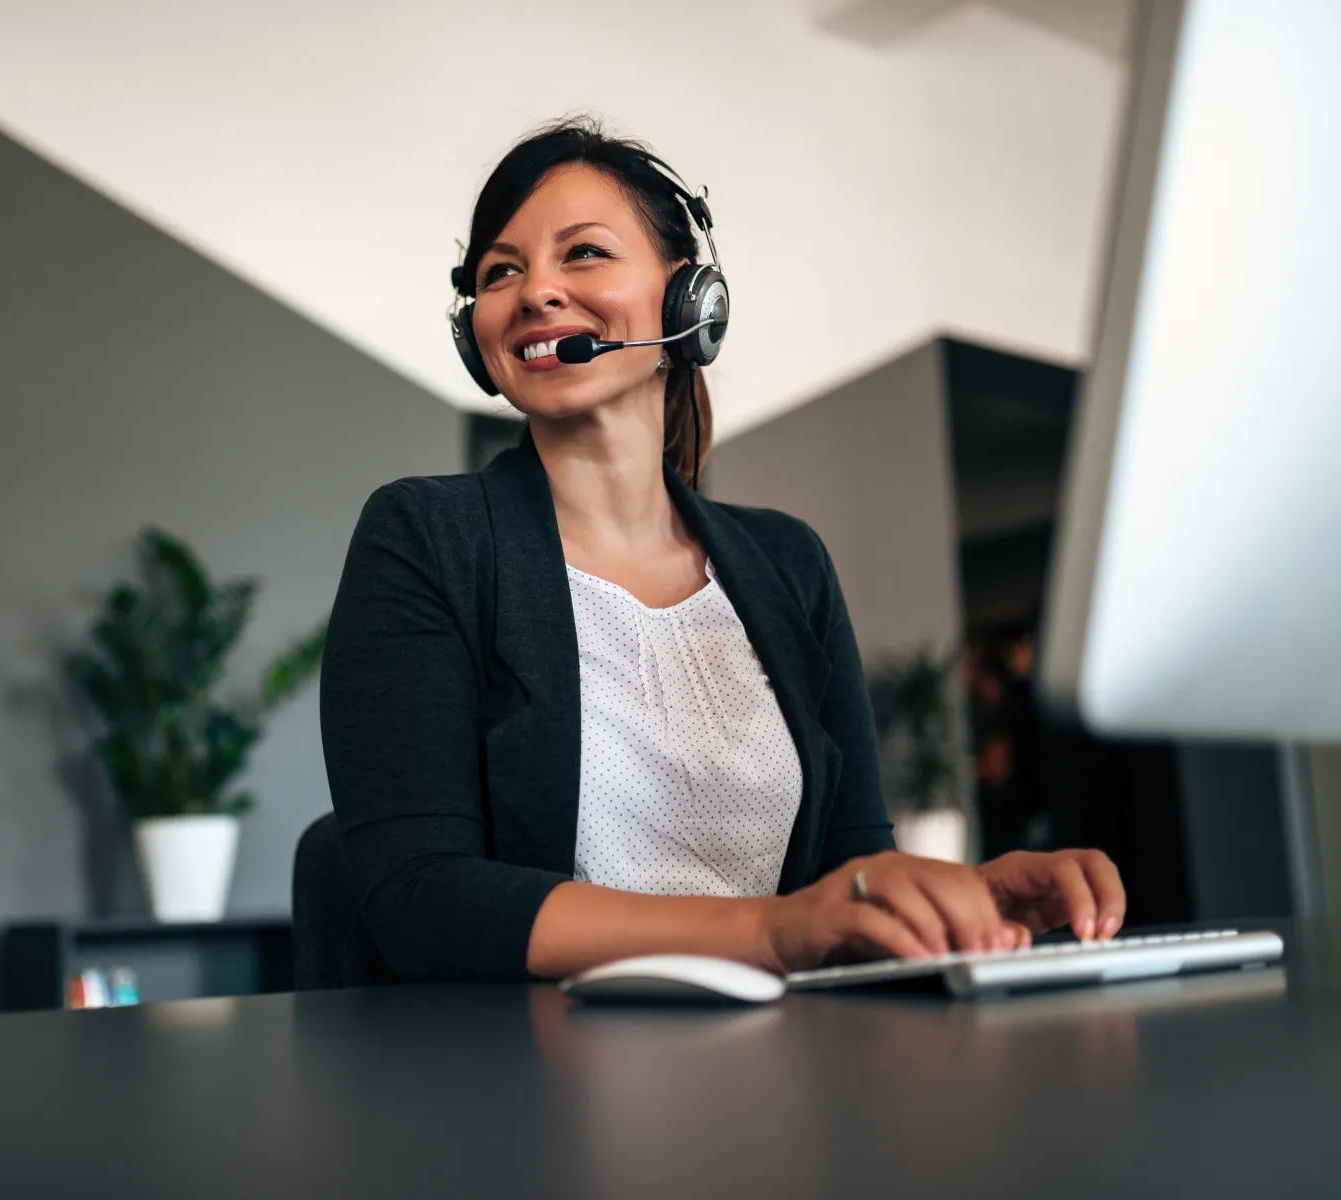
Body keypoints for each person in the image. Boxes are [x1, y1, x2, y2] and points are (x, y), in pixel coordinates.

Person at [319, 118, 1125, 984]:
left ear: (688, 298)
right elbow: (422, 899)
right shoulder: (426, 537)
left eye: (583, 253)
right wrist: (773, 931)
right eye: (500, 272)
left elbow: (847, 866)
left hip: (786, 1062)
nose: (536, 291)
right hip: (533, 1082)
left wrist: (954, 902)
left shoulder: (787, 564)